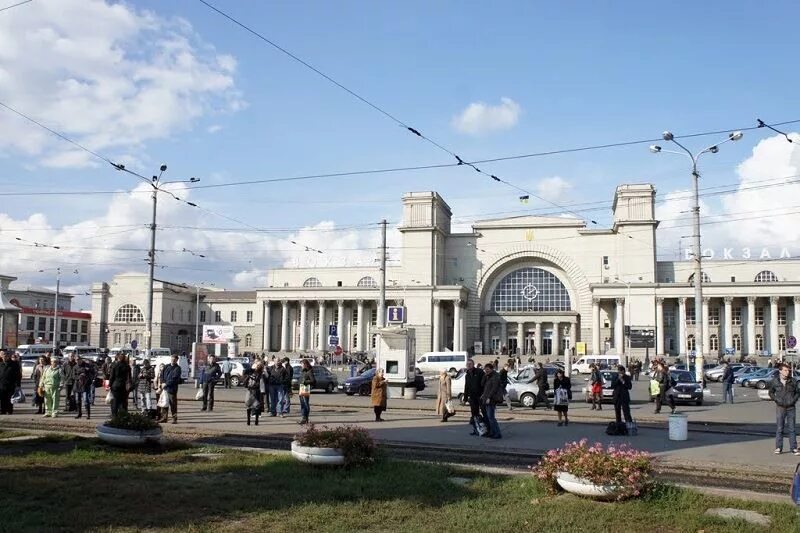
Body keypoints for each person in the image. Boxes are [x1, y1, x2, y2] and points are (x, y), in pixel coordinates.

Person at [768, 363, 800, 455]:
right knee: (779, 428)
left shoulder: (793, 381)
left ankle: (793, 448)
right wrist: (776, 400)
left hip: (791, 407)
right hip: (780, 407)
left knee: (792, 428)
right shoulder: (775, 381)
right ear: (780, 371)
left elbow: (797, 392)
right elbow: (771, 392)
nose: (787, 372)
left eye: (788, 370)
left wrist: (793, 400)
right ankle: (778, 447)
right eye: (785, 370)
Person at [479, 363, 503, 439]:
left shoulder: (495, 377)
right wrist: (484, 376)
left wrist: (489, 397)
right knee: (489, 417)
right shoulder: (487, 376)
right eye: (485, 369)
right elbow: (482, 385)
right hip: (486, 399)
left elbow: (494, 389)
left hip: (491, 399)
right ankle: (493, 432)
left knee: (491, 417)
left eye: (488, 369)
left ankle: (497, 433)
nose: (486, 371)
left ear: (492, 369)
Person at [463, 359, 485, 433]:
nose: (469, 365)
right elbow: (466, 386)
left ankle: (487, 429)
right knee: (474, 414)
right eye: (467, 364)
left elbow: (484, 383)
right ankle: (476, 430)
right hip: (472, 397)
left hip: (480, 396)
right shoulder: (467, 375)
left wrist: (484, 393)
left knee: (484, 412)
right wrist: (465, 398)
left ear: (473, 364)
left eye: (470, 364)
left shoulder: (479, 372)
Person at [160, 355, 182, 424]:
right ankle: (164, 418)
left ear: (176, 360)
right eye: (172, 359)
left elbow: (175, 379)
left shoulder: (177, 368)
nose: (173, 360)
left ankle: (174, 418)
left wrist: (166, 384)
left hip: (172, 389)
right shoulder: (166, 366)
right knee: (164, 403)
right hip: (165, 388)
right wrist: (162, 382)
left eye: (175, 359)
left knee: (173, 404)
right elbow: (161, 375)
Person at [298, 359, 315, 425]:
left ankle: (305, 418)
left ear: (305, 364)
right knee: (302, 404)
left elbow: (313, 381)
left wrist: (305, 382)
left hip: (305, 388)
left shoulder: (309, 371)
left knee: (305, 403)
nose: (301, 365)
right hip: (301, 387)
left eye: (302, 364)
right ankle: (303, 418)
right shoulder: (303, 371)